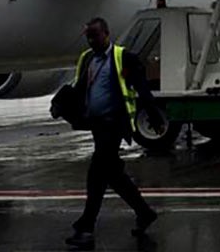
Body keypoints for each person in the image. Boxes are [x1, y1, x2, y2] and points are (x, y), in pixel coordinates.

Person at [64, 18, 161, 251]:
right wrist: (65, 105)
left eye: (95, 36)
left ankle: (86, 228)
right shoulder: (86, 58)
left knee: (96, 174)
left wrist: (154, 115)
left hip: (115, 124)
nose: (91, 40)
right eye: (88, 36)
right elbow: (80, 89)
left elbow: (142, 88)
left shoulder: (124, 57)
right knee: (113, 175)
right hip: (96, 125)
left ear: (107, 34)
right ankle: (144, 213)